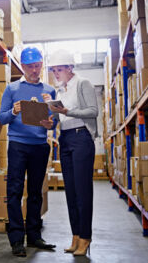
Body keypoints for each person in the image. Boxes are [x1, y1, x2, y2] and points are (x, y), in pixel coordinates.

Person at [0, 46, 57, 257]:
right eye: (30, 66)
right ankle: (16, 240)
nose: (35, 70)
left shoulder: (49, 91)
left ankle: (34, 235)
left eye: (38, 66)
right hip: (18, 145)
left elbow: (55, 120)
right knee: (14, 192)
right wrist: (13, 111)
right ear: (22, 67)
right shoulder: (12, 89)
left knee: (35, 192)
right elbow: (1, 118)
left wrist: (51, 124)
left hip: (40, 146)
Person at [44, 49, 98, 257]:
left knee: (83, 192)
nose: (56, 74)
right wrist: (50, 123)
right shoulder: (60, 91)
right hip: (65, 139)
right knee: (71, 192)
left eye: (59, 70)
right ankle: (75, 235)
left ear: (70, 68)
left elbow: (93, 111)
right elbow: (59, 119)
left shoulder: (83, 84)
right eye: (54, 70)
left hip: (82, 138)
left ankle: (86, 237)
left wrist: (66, 111)